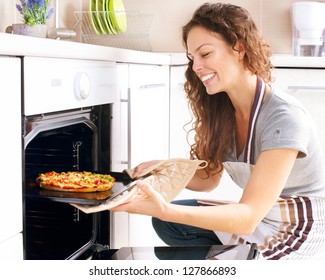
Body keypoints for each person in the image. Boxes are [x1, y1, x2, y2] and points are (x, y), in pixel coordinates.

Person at [111, 2, 325, 260]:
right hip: (260, 216)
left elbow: (247, 218)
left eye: (205, 54)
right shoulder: (223, 110)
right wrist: (161, 168)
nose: (196, 67)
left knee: (169, 221)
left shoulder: (284, 117)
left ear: (239, 48)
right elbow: (208, 180)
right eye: (192, 58)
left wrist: (165, 208)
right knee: (165, 224)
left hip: (297, 229)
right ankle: (232, 261)